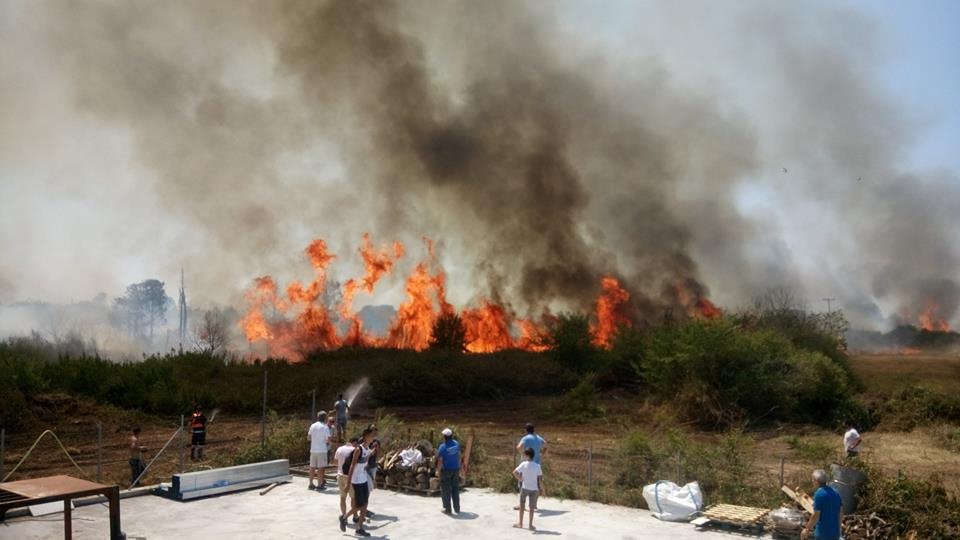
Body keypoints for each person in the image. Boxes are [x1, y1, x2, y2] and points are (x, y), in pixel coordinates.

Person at [340, 427, 375, 537]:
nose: (373, 438)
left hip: (363, 479)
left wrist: (370, 477)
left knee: (365, 504)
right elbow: (352, 466)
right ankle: (344, 517)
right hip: (356, 481)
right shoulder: (358, 450)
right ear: (365, 437)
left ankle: (360, 528)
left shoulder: (368, 449)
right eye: (371, 436)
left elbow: (365, 463)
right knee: (360, 505)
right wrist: (348, 483)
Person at [801, 469, 843, 540]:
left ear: (816, 481)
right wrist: (838, 529)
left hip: (823, 533)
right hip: (835, 534)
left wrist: (807, 529)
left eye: (813, 480)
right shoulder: (836, 493)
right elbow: (841, 513)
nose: (812, 482)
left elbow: (816, 515)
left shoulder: (819, 494)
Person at [515, 423, 546, 511]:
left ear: (526, 430)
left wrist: (523, 455)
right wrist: (542, 454)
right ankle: (534, 504)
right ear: (533, 430)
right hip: (537, 464)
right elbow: (545, 445)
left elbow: (518, 447)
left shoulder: (526, 438)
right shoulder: (538, 438)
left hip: (526, 464)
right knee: (536, 484)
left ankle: (521, 505)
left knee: (522, 483)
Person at [513, 447, 545, 531]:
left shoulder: (523, 464)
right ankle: (530, 525)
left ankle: (520, 523)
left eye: (524, 455)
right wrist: (543, 490)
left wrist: (520, 479)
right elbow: (540, 480)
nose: (523, 456)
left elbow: (514, 472)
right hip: (534, 489)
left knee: (522, 506)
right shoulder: (537, 466)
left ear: (527, 455)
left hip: (524, 488)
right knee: (531, 508)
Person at [437, 427, 463, 515]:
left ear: (444, 437)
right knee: (455, 489)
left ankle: (447, 509)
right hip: (455, 469)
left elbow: (440, 461)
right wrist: (459, 466)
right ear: (451, 435)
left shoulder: (442, 447)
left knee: (446, 490)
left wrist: (438, 471)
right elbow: (459, 456)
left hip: (446, 471)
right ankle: (457, 508)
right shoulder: (456, 444)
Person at [335, 437, 359, 520]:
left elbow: (335, 461)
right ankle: (355, 516)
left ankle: (344, 516)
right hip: (351, 477)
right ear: (354, 442)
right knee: (353, 498)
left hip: (340, 475)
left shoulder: (339, 449)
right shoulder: (355, 450)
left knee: (342, 498)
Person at [307, 411, 332, 490]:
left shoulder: (312, 425)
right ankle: (319, 485)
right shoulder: (325, 427)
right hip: (322, 450)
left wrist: (315, 440)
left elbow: (308, 438)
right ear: (325, 418)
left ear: (318, 417)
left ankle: (311, 484)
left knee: (312, 467)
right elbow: (328, 439)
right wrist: (327, 443)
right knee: (321, 468)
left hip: (313, 450)